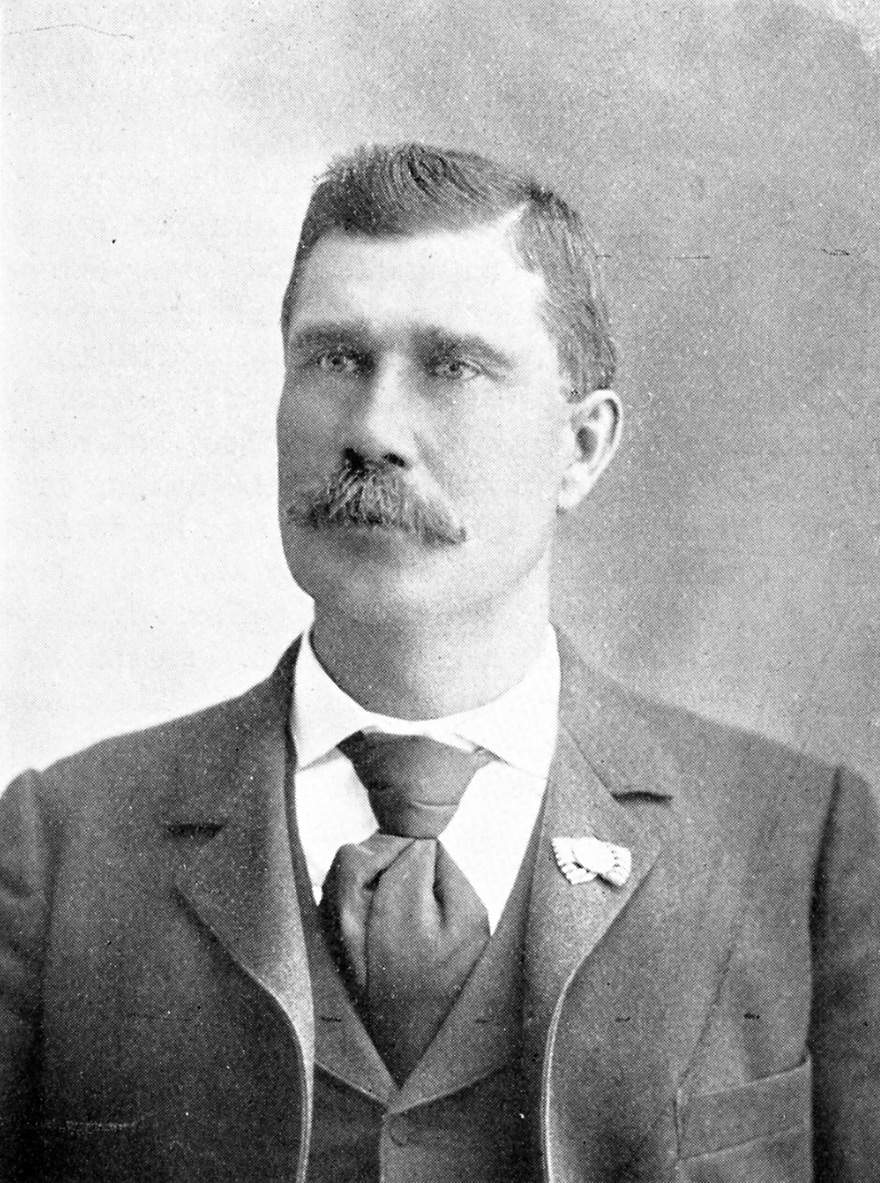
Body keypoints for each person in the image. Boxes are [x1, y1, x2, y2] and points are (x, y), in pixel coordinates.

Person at [1, 143, 877, 1183]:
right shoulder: (62, 846)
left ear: (581, 448)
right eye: (335, 359)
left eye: (452, 367)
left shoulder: (801, 846)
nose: (373, 429)